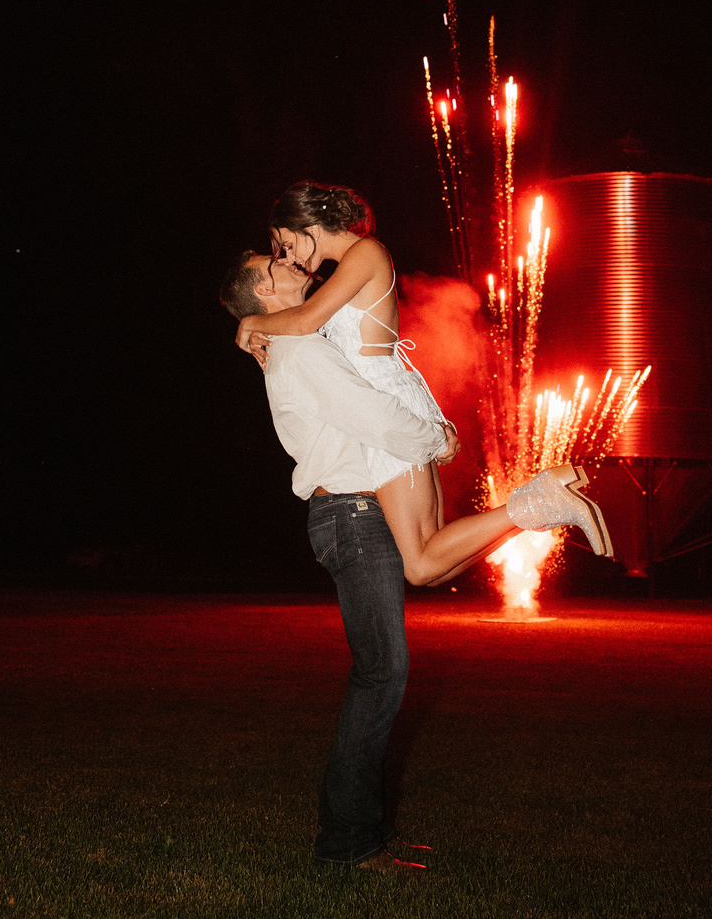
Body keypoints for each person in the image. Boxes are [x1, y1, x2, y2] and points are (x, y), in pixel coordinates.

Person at [220, 248, 611, 872]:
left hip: (360, 506)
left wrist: (253, 328)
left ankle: (537, 504)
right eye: (277, 264)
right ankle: (349, 846)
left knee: (425, 588)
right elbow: (368, 413)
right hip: (350, 512)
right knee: (381, 674)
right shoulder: (295, 345)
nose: (291, 261)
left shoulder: (296, 336)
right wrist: (438, 438)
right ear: (265, 292)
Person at [234, 181, 614, 583]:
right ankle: (539, 506)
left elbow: (307, 320)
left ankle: (543, 498)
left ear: (305, 223)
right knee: (431, 572)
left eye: (284, 244)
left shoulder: (365, 252)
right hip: (392, 399)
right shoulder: (347, 269)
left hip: (388, 402)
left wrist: (251, 322)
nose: (287, 256)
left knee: (419, 565)